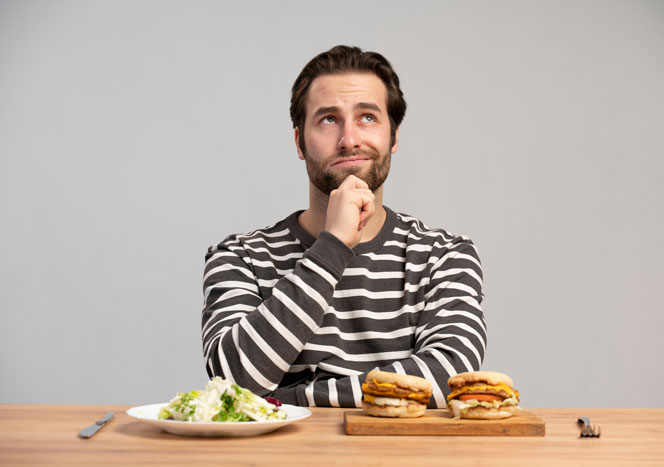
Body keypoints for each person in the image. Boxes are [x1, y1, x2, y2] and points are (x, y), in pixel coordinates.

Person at [201, 45, 486, 408]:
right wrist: (332, 247)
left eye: (367, 117)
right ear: (300, 142)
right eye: (329, 119)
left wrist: (282, 400)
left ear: (393, 137)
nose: (349, 139)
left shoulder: (444, 256)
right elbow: (232, 378)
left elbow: (447, 376)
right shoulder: (240, 257)